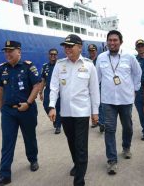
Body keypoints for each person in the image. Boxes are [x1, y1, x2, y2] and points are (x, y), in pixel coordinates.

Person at [48, 34, 100, 186]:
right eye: (65, 46)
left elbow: (94, 91)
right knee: (71, 142)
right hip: (65, 112)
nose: (67, 49)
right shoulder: (59, 64)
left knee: (81, 146)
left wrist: (95, 112)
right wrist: (52, 106)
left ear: (79, 47)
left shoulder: (89, 65)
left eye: (70, 46)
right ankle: (77, 165)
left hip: (82, 112)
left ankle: (79, 181)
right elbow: (54, 87)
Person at [0, 41, 40, 185]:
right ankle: (5, 174)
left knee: (29, 137)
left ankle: (33, 159)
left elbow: (37, 85)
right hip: (8, 111)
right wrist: (2, 107)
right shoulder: (3, 68)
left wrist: (28, 103)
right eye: (5, 51)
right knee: (7, 142)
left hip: (27, 110)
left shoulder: (28, 66)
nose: (7, 54)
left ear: (18, 51)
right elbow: (0, 89)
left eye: (10, 51)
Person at [96, 30, 142, 175]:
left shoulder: (129, 57)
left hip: (126, 99)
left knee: (127, 126)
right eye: (110, 40)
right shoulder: (101, 58)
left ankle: (126, 147)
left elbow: (138, 73)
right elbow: (96, 78)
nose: (112, 43)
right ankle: (112, 160)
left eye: (115, 40)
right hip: (108, 100)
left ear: (120, 42)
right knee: (110, 129)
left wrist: (135, 89)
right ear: (107, 42)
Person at [39, 48, 61, 134]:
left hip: (58, 90)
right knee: (46, 105)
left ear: (57, 56)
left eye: (55, 54)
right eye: (51, 54)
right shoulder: (45, 66)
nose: (53, 56)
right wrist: (40, 92)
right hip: (48, 89)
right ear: (48, 55)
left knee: (57, 107)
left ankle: (58, 126)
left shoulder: (60, 66)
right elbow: (43, 80)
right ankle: (55, 119)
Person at [88, 44, 105, 132]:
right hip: (89, 86)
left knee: (99, 104)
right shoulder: (87, 61)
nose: (92, 52)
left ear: (96, 51)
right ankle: (95, 121)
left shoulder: (100, 60)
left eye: (93, 50)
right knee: (91, 103)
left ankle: (102, 122)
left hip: (99, 85)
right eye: (90, 51)